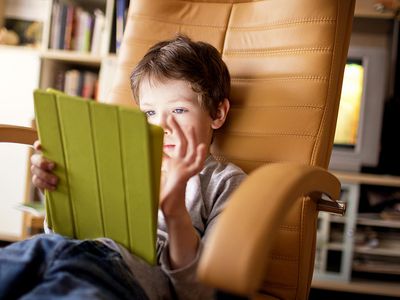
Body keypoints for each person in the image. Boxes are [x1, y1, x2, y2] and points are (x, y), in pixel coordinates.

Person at [0, 35, 246, 300]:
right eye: (149, 113)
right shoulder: (119, 160)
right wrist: (59, 190)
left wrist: (175, 211)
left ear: (218, 113)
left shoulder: (225, 182)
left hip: (117, 274)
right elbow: (60, 233)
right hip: (49, 248)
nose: (161, 126)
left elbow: (201, 292)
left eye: (178, 110)